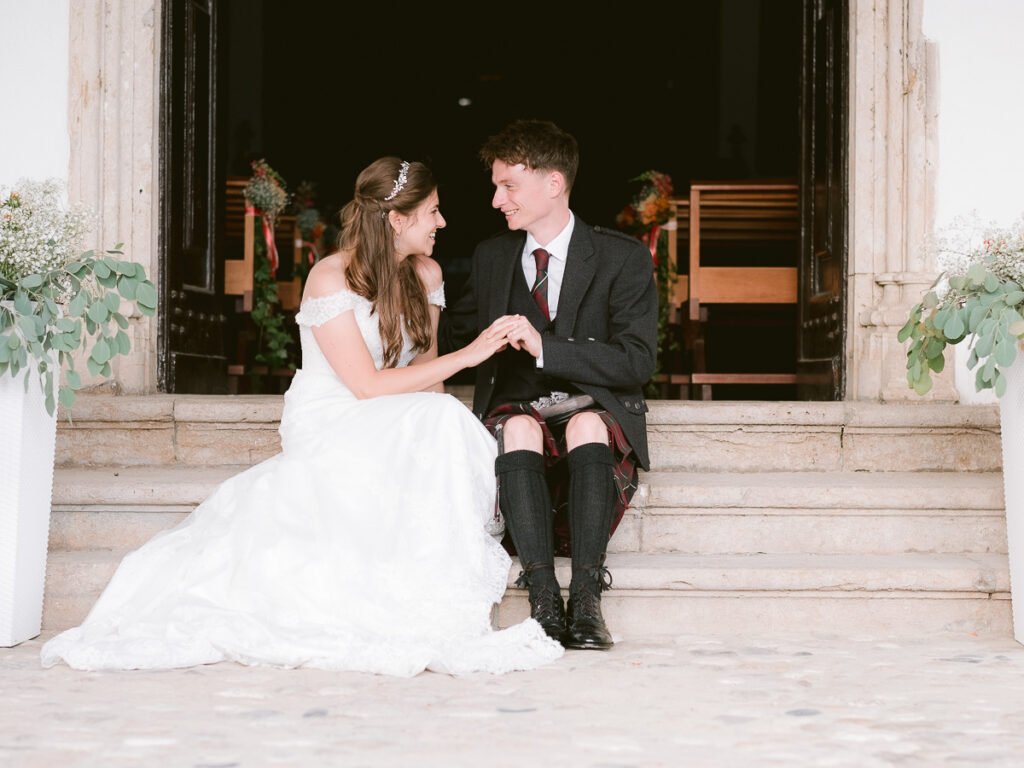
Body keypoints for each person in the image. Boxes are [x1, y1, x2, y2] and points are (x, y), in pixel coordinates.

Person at [41, 157, 564, 676]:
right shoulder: (330, 278)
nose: (442, 223)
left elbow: (427, 377)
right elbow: (364, 386)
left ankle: (428, 567)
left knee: (441, 414)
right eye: (432, 211)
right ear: (398, 220)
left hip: (396, 412)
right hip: (335, 415)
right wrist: (472, 353)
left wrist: (439, 397)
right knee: (440, 416)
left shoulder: (425, 274)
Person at [441, 120, 659, 650]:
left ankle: (586, 599)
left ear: (554, 183)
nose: (496, 200)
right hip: (518, 409)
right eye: (496, 186)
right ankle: (543, 599)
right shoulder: (492, 257)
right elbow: (451, 336)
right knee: (517, 427)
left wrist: (545, 347)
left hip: (595, 408)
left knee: (587, 424)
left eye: (508, 186)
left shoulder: (621, 256)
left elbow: (636, 362)